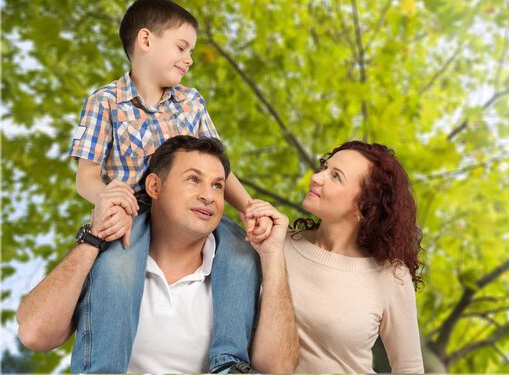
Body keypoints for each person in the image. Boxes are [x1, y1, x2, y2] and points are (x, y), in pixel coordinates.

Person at [68, 0, 272, 372]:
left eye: (191, 50)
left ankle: (229, 361)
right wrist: (108, 197)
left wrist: (248, 207)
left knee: (243, 256)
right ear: (145, 40)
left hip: (193, 209)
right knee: (115, 270)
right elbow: (86, 177)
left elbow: (220, 172)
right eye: (182, 47)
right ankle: (102, 366)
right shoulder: (105, 103)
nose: (189, 58)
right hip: (136, 211)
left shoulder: (191, 102)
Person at [16, 136, 299, 373]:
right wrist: (93, 237)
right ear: (154, 187)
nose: (209, 196)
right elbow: (35, 334)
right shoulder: (108, 257)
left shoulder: (242, 266)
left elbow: (279, 368)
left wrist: (273, 256)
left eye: (217, 185)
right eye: (193, 180)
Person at [285, 140, 424, 373]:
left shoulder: (391, 276)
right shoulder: (280, 243)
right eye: (324, 168)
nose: (317, 177)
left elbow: (409, 368)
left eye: (336, 176)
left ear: (364, 207)